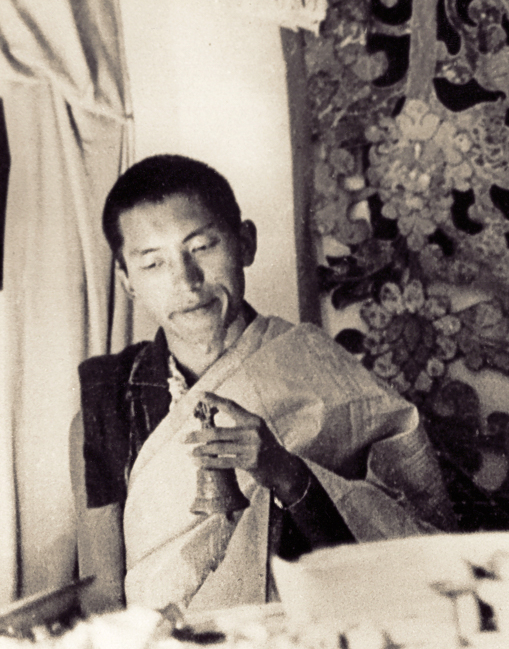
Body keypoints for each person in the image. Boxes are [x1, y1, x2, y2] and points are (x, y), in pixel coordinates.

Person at [72, 155, 456, 614]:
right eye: (153, 263)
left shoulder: (320, 374)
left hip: (316, 644)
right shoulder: (110, 405)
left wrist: (288, 476)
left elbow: (405, 557)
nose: (187, 282)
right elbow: (104, 598)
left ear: (245, 243)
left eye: (202, 247)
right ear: (127, 280)